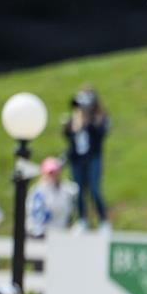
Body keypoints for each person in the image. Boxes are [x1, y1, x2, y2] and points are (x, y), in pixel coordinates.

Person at [62, 87, 112, 229]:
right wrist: (74, 126)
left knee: (94, 189)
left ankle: (103, 220)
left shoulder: (98, 118)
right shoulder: (74, 119)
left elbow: (100, 136)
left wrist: (88, 123)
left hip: (93, 158)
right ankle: (82, 219)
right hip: (77, 160)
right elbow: (69, 138)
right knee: (78, 190)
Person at [25, 156, 78, 234]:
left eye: (55, 172)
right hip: (41, 234)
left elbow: (75, 190)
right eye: (50, 173)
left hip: (60, 232)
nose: (53, 176)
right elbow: (36, 216)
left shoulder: (64, 188)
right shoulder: (38, 192)